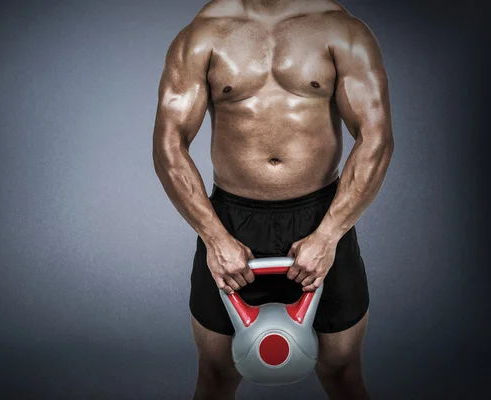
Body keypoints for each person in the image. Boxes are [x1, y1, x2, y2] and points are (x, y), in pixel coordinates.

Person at [152, 0, 393, 399]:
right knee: (215, 376)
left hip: (321, 216)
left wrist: (328, 235)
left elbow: (376, 138)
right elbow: (169, 144)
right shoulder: (204, 34)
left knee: (343, 375)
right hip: (231, 221)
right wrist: (215, 238)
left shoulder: (340, 30)